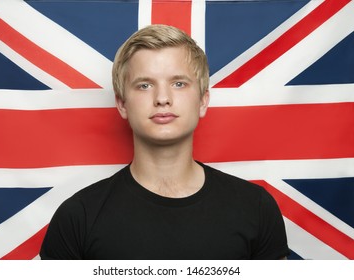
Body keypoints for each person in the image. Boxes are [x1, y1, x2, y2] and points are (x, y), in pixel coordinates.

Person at [40, 24, 289, 260]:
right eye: (145, 85)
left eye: (178, 83)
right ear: (122, 104)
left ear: (203, 101)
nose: (162, 98)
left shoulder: (256, 208)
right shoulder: (77, 217)